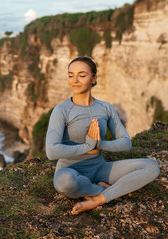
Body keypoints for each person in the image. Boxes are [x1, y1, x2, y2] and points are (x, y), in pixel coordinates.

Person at [45, 56, 160, 215]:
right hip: (70, 170)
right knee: (64, 182)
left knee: (151, 166)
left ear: (94, 78)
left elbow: (126, 142)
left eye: (82, 75)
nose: (75, 80)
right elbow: (51, 151)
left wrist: (99, 145)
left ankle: (100, 198)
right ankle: (97, 189)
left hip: (100, 168)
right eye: (71, 75)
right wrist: (86, 147)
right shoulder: (61, 110)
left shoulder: (105, 108)